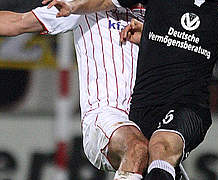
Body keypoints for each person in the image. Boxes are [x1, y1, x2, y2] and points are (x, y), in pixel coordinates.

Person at [45, 0, 218, 179]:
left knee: (161, 146)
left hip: (190, 109)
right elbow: (107, 1)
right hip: (142, 113)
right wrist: (74, 5)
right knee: (152, 156)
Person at [0, 3, 149, 180]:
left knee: (160, 159)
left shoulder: (163, 13)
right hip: (104, 117)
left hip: (149, 121)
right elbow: (17, 22)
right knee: (136, 148)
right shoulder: (81, 6)